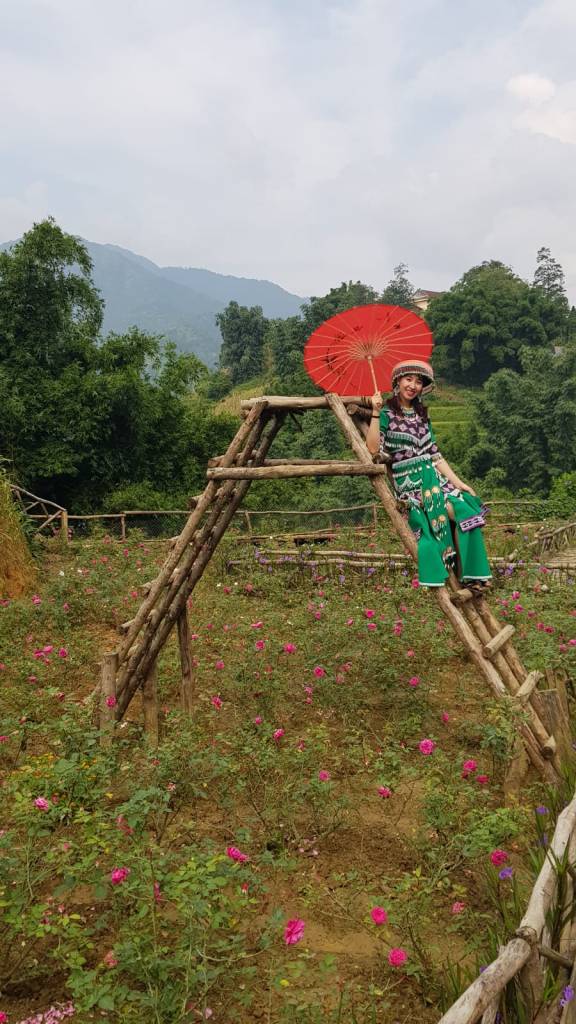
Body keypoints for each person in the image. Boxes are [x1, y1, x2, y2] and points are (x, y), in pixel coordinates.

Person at [365, 359, 491, 589]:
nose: (413, 386)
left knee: (468, 507)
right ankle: (468, 574)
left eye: (418, 382)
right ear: (397, 382)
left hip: (434, 477)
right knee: (459, 511)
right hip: (410, 481)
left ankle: (470, 575)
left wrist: (459, 483)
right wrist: (375, 412)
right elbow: (373, 449)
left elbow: (435, 455)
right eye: (408, 379)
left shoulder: (422, 415)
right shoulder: (386, 414)